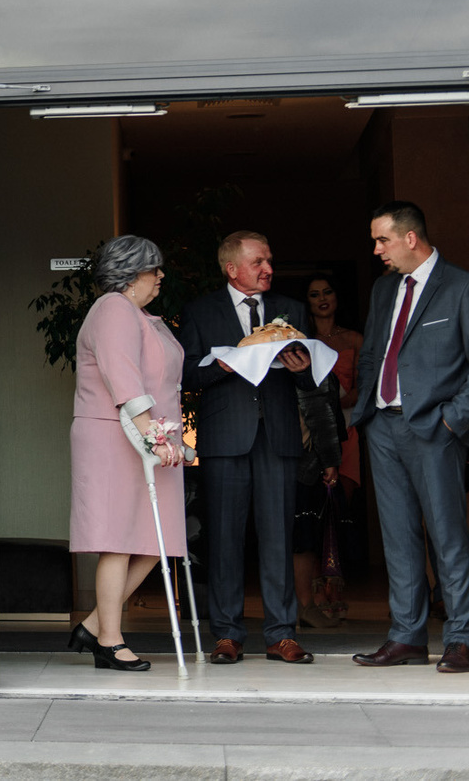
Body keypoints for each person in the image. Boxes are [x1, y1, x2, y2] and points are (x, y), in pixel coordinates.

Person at [351, 201, 469, 675]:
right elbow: (373, 353)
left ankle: (460, 639)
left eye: (382, 240)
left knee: (447, 535)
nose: (377, 250)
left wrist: (452, 421)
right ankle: (407, 637)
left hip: (435, 428)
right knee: (398, 538)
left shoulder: (464, 287)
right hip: (382, 426)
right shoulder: (384, 288)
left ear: (410, 238)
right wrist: (367, 410)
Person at [178, 231, 316, 666]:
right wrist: (223, 363)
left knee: (279, 537)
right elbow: (186, 376)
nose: (268, 269)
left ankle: (281, 634)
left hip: (278, 435)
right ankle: (227, 634)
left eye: (269, 260)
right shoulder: (200, 311)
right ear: (232, 268)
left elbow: (311, 379)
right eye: (259, 262)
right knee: (223, 539)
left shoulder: (292, 309)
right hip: (225, 437)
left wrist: (303, 369)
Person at [67, 235, 185, 673]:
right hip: (115, 437)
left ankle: (93, 624)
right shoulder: (113, 308)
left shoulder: (142, 316)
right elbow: (124, 380)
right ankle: (109, 642)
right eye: (155, 268)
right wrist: (156, 438)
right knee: (118, 540)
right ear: (133, 273)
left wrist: (167, 439)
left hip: (148, 438)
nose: (161, 276)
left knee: (158, 537)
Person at [291, 359, 346, 627]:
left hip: (307, 459)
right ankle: (294, 606)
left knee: (306, 534)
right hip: (274, 457)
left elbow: (328, 417)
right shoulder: (260, 360)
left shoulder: (317, 364)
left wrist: (329, 459)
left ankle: (304, 605)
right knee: (290, 535)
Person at [306, 275, 364, 484]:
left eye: (327, 292)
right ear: (307, 301)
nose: (322, 298)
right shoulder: (302, 341)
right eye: (314, 294)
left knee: (344, 491)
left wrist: (339, 406)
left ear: (336, 296)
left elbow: (363, 386)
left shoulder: (354, 338)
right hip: (310, 428)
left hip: (347, 424)